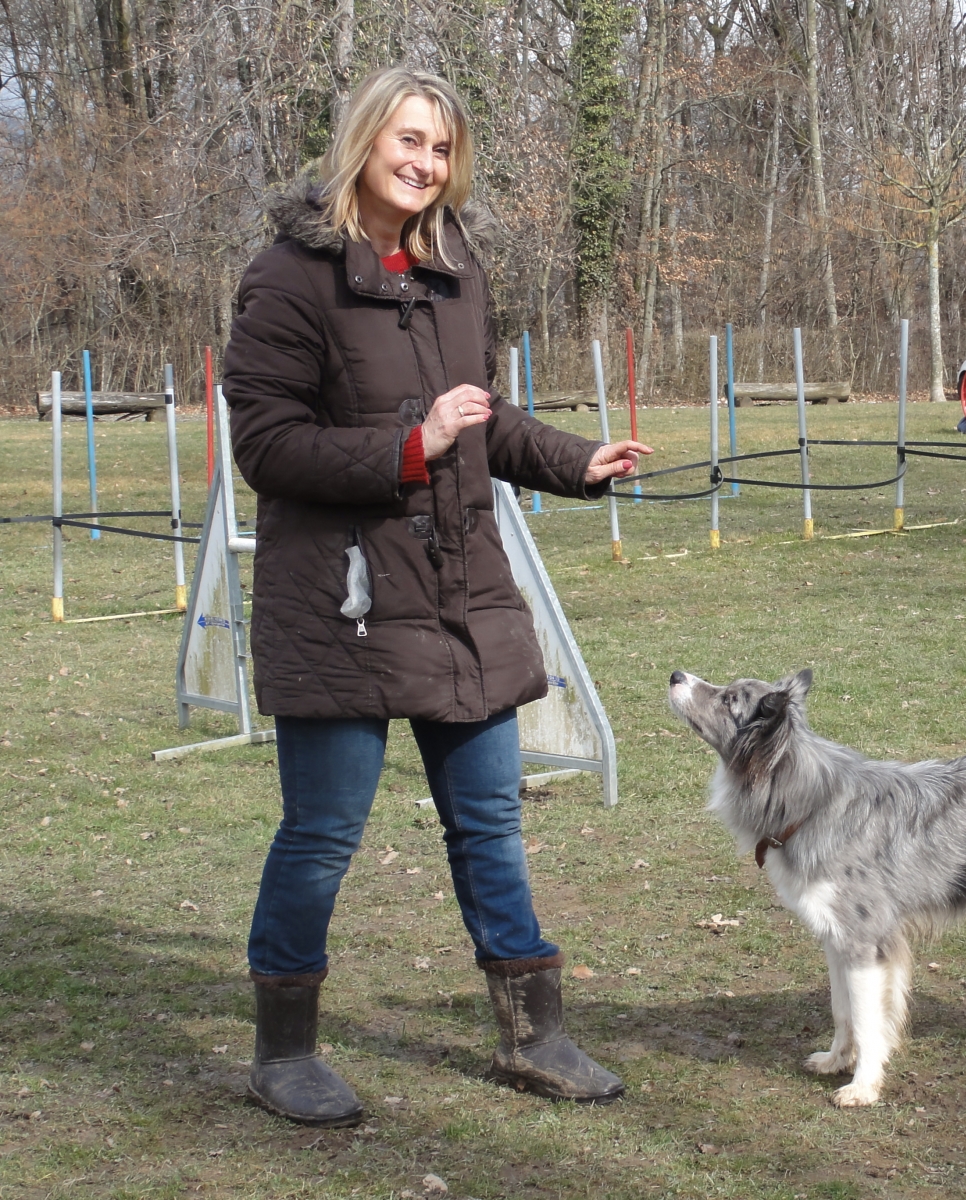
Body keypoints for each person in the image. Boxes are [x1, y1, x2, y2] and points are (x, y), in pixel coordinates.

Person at [222, 66, 650, 1126]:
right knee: (321, 835)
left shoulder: (456, 270)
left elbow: (483, 417)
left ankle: (533, 1038)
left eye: (443, 149)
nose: (424, 164)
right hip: (342, 603)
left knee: (491, 824)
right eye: (407, 142)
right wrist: (410, 448)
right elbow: (266, 447)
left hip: (463, 596)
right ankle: (284, 1053)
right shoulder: (287, 278)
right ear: (364, 143)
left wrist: (573, 458)